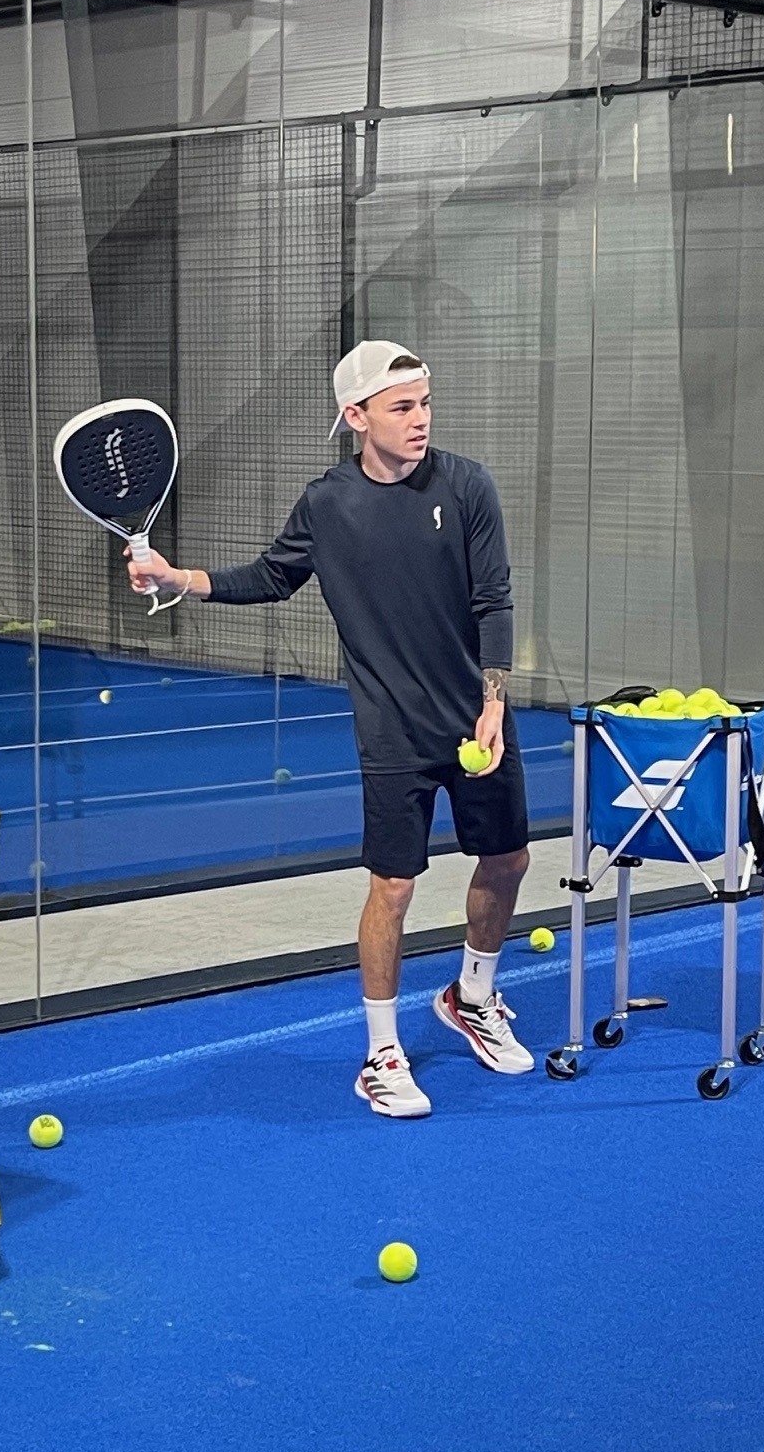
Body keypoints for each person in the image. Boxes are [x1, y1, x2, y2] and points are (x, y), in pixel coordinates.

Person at [126, 340, 532, 1118]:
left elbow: (494, 600)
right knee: (394, 886)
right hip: (392, 731)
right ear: (357, 416)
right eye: (401, 406)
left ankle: (473, 996)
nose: (420, 419)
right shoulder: (327, 504)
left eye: (425, 402)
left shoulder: (468, 486)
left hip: (475, 718)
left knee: (508, 859)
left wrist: (493, 702)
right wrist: (180, 580)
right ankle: (382, 1054)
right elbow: (271, 577)